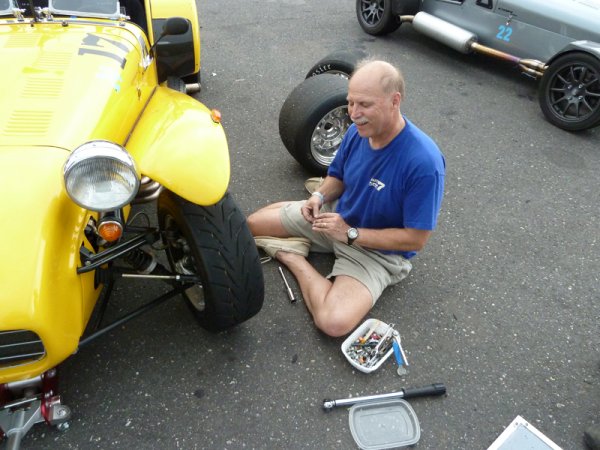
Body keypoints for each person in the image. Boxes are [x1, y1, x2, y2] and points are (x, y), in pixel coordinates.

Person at [247, 59, 445, 337]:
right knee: (251, 225)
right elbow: (337, 176)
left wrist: (350, 234)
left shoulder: (423, 163)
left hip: (375, 251)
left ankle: (292, 256)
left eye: (364, 105)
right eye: (351, 103)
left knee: (333, 322)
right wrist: (318, 196)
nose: (353, 114)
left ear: (394, 101)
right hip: (336, 216)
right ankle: (302, 218)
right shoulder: (356, 132)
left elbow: (415, 239)